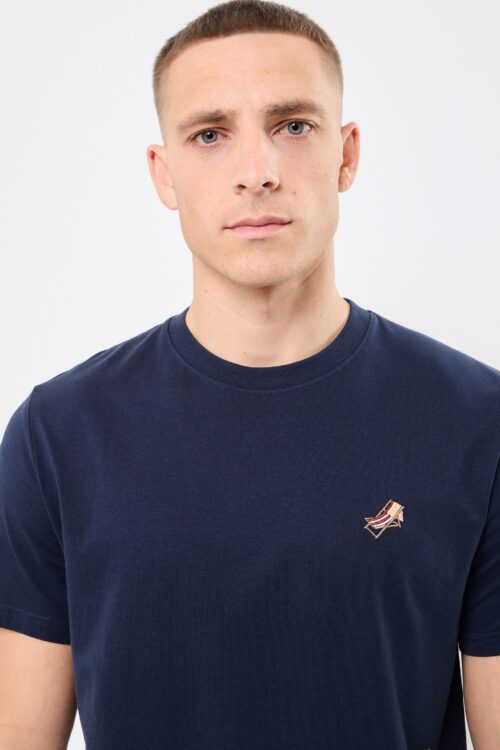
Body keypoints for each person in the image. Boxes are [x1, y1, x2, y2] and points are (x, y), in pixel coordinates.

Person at [1, 1, 499, 748]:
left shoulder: (476, 422)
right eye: (210, 134)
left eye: (292, 126)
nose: (256, 173)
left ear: (347, 154)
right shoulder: (58, 435)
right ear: (164, 174)